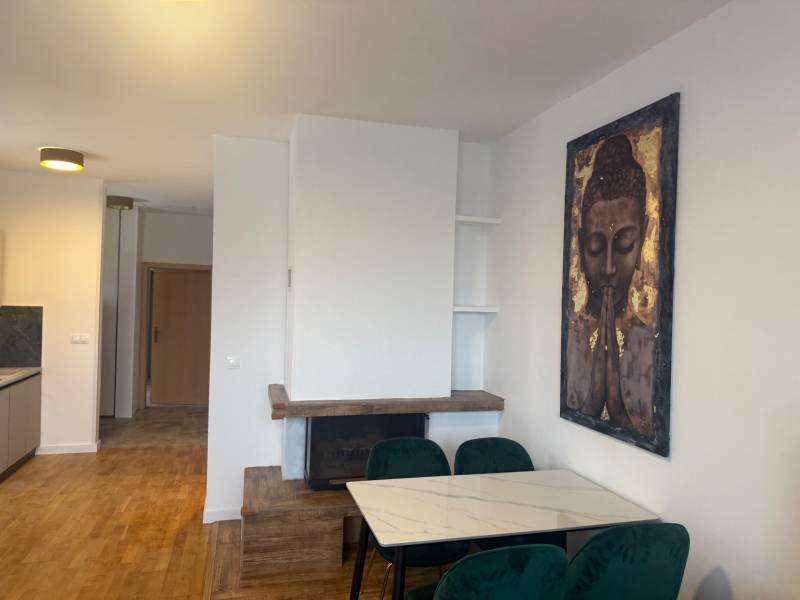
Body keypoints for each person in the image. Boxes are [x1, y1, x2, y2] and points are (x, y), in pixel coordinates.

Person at [566, 134, 655, 436]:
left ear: (643, 239)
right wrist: (594, 400)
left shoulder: (651, 344)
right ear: (579, 244)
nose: (607, 268)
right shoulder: (570, 338)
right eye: (594, 246)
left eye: (625, 243)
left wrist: (616, 406)